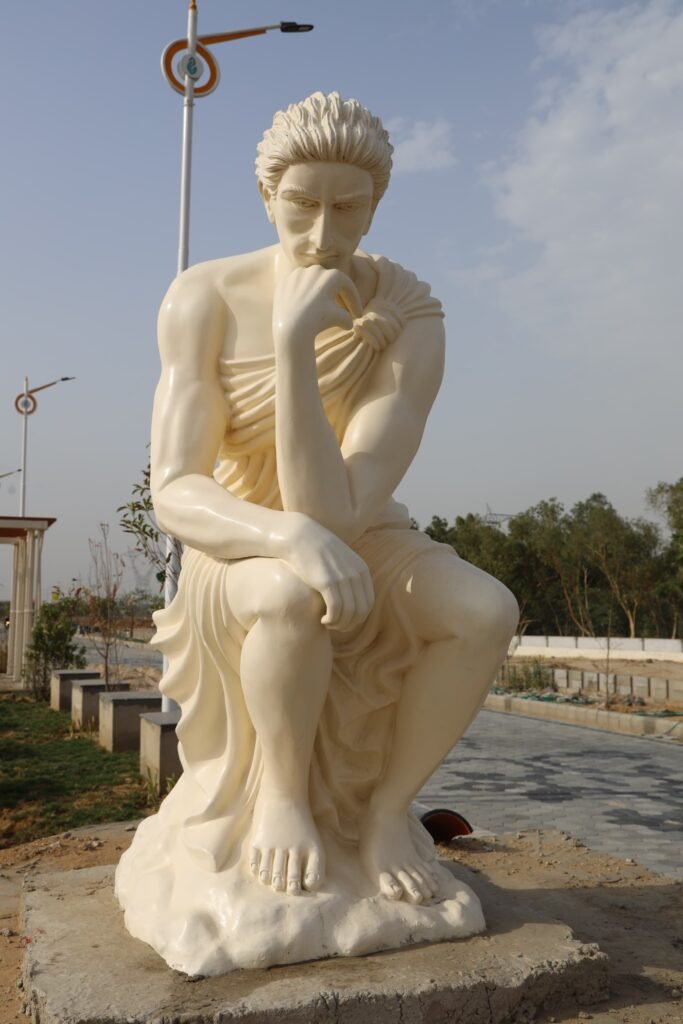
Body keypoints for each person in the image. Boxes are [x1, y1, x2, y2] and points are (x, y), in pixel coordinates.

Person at [118, 92, 518, 937]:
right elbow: (177, 486)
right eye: (302, 205)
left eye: (349, 208)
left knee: (485, 610)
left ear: (375, 205)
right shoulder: (204, 297)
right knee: (286, 593)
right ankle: (281, 800)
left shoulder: (407, 313)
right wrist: (284, 535)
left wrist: (296, 351)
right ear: (268, 196)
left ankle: (387, 813)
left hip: (360, 528)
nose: (323, 232)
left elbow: (337, 510)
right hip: (238, 538)